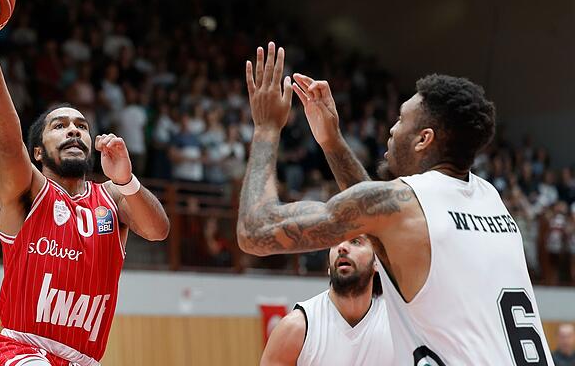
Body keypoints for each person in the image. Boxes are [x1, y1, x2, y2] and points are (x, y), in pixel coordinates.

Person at [236, 42, 553, 364]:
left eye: (401, 120)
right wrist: (332, 142)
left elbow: (255, 230)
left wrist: (265, 128)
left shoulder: (406, 203)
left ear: (423, 139)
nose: (391, 129)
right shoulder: (489, 197)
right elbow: (381, 218)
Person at [0, 7, 170, 366]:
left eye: (80, 125)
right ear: (37, 151)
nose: (74, 130)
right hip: (20, 351)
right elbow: (6, 144)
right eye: (59, 126)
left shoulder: (111, 197)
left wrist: (127, 180)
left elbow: (158, 231)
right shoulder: (29, 190)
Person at [261, 236, 392, 365]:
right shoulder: (294, 328)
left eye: (355, 241)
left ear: (377, 262)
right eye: (335, 242)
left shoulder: (396, 324)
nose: (342, 247)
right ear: (329, 267)